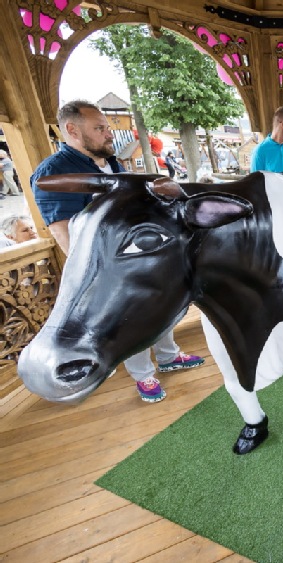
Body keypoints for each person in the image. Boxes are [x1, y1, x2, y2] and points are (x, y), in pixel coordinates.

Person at [30, 100, 204, 403]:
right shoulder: (55, 171)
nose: (109, 135)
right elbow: (61, 228)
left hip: (135, 256)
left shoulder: (111, 164)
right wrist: (93, 275)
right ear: (72, 130)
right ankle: (144, 377)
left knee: (156, 306)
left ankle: (168, 356)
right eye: (99, 129)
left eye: (107, 128)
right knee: (127, 320)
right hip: (104, 268)